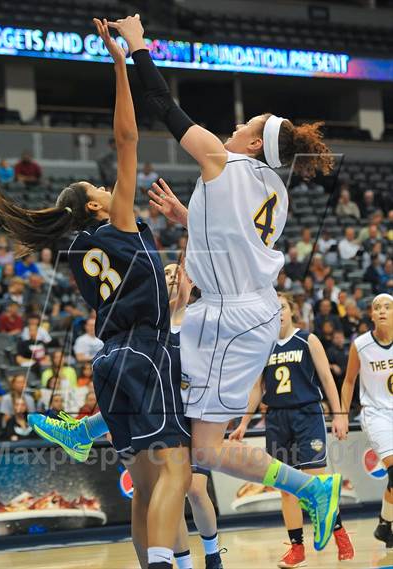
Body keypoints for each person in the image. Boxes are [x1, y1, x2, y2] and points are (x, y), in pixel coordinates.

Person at [112, 13, 342, 555]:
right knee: (166, 392)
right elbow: (239, 242)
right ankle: (87, 427)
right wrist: (189, 220)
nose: (236, 125)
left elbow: (164, 106)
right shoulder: (273, 191)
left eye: (247, 123)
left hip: (231, 317)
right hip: (233, 311)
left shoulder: (224, 161)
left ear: (254, 142)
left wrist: (138, 45)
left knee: (204, 453)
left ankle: (312, 487)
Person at [0, 21, 191, 569]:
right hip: (145, 352)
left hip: (110, 361)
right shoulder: (117, 223)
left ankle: (154, 561)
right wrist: (122, 64)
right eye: (102, 189)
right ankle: (168, 565)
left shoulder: (75, 248)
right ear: (98, 207)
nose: (110, 187)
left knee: (145, 485)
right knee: (179, 471)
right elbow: (127, 139)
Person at [30, 262, 226, 569]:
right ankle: (183, 565)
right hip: (158, 413)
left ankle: (213, 555)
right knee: (151, 494)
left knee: (195, 491)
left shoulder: (200, 320)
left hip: (194, 415)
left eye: (177, 273)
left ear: (191, 282)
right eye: (165, 274)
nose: (172, 277)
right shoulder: (147, 324)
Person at [230, 293, 353, 566]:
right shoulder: (264, 346)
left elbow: (326, 379)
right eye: (273, 309)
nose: (279, 313)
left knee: (315, 486)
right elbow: (256, 388)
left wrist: (339, 414)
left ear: (292, 311)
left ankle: (339, 532)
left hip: (307, 414)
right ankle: (297, 549)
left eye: (282, 307)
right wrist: (243, 423)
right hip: (277, 419)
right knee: (286, 488)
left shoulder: (308, 339)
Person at [341, 293, 393, 549]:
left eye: (387, 307)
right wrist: (341, 415)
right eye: (376, 308)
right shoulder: (360, 344)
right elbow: (349, 380)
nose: (382, 310)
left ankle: (385, 523)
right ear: (371, 315)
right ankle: (385, 523)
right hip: (376, 414)